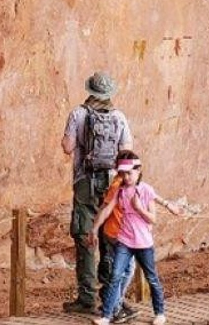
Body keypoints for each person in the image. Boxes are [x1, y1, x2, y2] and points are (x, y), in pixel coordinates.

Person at [61, 72, 133, 314]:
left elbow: (67, 147)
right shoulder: (119, 117)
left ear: (90, 90)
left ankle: (87, 298)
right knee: (109, 239)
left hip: (85, 183)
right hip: (112, 184)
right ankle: (111, 296)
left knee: (85, 238)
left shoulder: (78, 114)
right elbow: (127, 152)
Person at [95, 150, 183, 323]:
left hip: (143, 243)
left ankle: (160, 313)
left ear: (138, 171)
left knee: (152, 277)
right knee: (115, 276)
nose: (126, 177)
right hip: (124, 241)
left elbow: (153, 218)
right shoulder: (120, 191)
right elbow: (107, 209)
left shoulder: (145, 190)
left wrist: (139, 208)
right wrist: (94, 228)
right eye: (123, 174)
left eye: (129, 173)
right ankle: (106, 315)